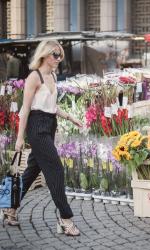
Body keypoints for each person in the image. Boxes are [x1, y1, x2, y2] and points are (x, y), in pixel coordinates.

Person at [2, 40, 82, 236]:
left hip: (49, 125)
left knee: (31, 171)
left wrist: (70, 117)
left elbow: (52, 106)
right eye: (56, 55)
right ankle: (65, 218)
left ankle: (10, 208)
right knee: (56, 169)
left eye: (60, 55)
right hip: (36, 128)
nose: (59, 59)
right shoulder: (34, 77)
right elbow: (26, 109)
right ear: (45, 54)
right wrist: (20, 138)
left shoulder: (53, 76)